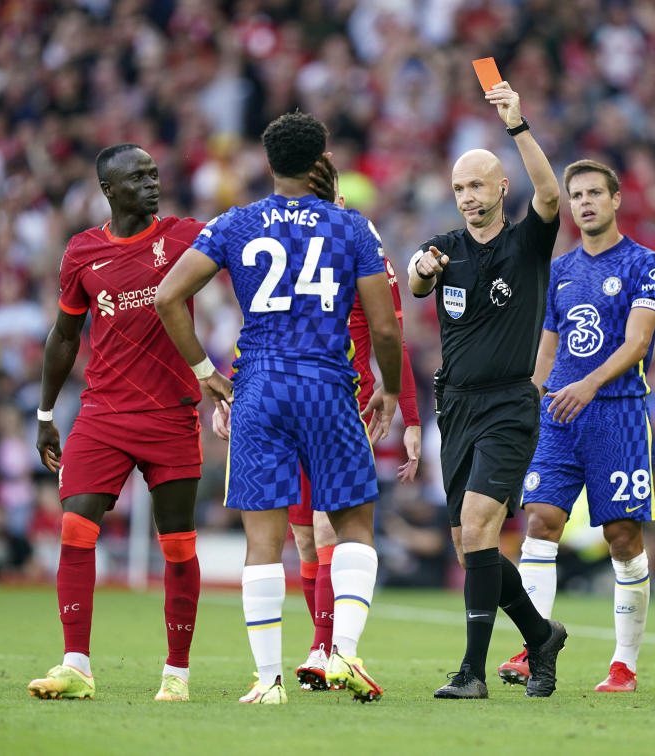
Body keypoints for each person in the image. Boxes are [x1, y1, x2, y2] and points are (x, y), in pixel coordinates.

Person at [155, 112, 402, 705]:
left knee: (262, 540)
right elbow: (387, 328)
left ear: (266, 164)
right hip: (327, 383)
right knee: (353, 526)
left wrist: (206, 373)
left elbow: (167, 296)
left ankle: (267, 681)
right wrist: (388, 388)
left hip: (259, 385)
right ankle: (340, 653)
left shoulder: (234, 223)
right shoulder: (352, 227)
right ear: (323, 158)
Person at [28, 144, 205, 703]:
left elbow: (250, 241)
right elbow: (63, 337)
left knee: (177, 544)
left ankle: (176, 674)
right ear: (110, 189)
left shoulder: (185, 236)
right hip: (104, 412)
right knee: (76, 525)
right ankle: (75, 665)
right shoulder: (81, 252)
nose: (152, 184)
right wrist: (46, 413)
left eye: (155, 173)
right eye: (139, 177)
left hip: (172, 413)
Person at [409, 81, 566, 700]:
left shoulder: (527, 243)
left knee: (480, 527)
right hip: (457, 407)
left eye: (477, 185)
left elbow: (550, 195)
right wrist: (421, 271)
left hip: (508, 404)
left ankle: (472, 673)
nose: (467, 197)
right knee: (467, 544)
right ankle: (540, 634)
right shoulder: (444, 250)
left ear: (501, 188)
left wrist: (518, 126)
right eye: (458, 189)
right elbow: (420, 281)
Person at [495, 159, 655, 694]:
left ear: (616, 200)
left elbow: (638, 342)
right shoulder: (561, 270)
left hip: (616, 413)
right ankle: (533, 644)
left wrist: (588, 384)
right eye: (576, 195)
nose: (585, 202)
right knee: (541, 521)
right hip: (558, 418)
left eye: (595, 192)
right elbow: (546, 351)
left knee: (621, 536)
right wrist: (528, 405)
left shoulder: (644, 262)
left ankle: (624, 664)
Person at [286, 164, 421, 692]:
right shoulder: (287, 249)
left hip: (349, 408)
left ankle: (329, 650)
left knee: (327, 527)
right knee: (302, 538)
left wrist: (409, 412)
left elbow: (394, 335)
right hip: (289, 408)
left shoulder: (366, 248)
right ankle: (325, 645)